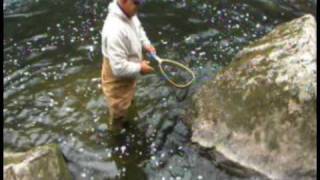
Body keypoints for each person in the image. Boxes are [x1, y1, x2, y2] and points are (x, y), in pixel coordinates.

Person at [101, 0, 156, 131]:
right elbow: (118, 68)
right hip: (116, 78)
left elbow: (139, 29)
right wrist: (139, 68)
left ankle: (128, 109)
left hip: (128, 70)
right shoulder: (114, 31)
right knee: (118, 109)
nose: (139, 6)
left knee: (129, 98)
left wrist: (146, 44)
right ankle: (116, 135)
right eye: (136, 3)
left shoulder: (130, 13)